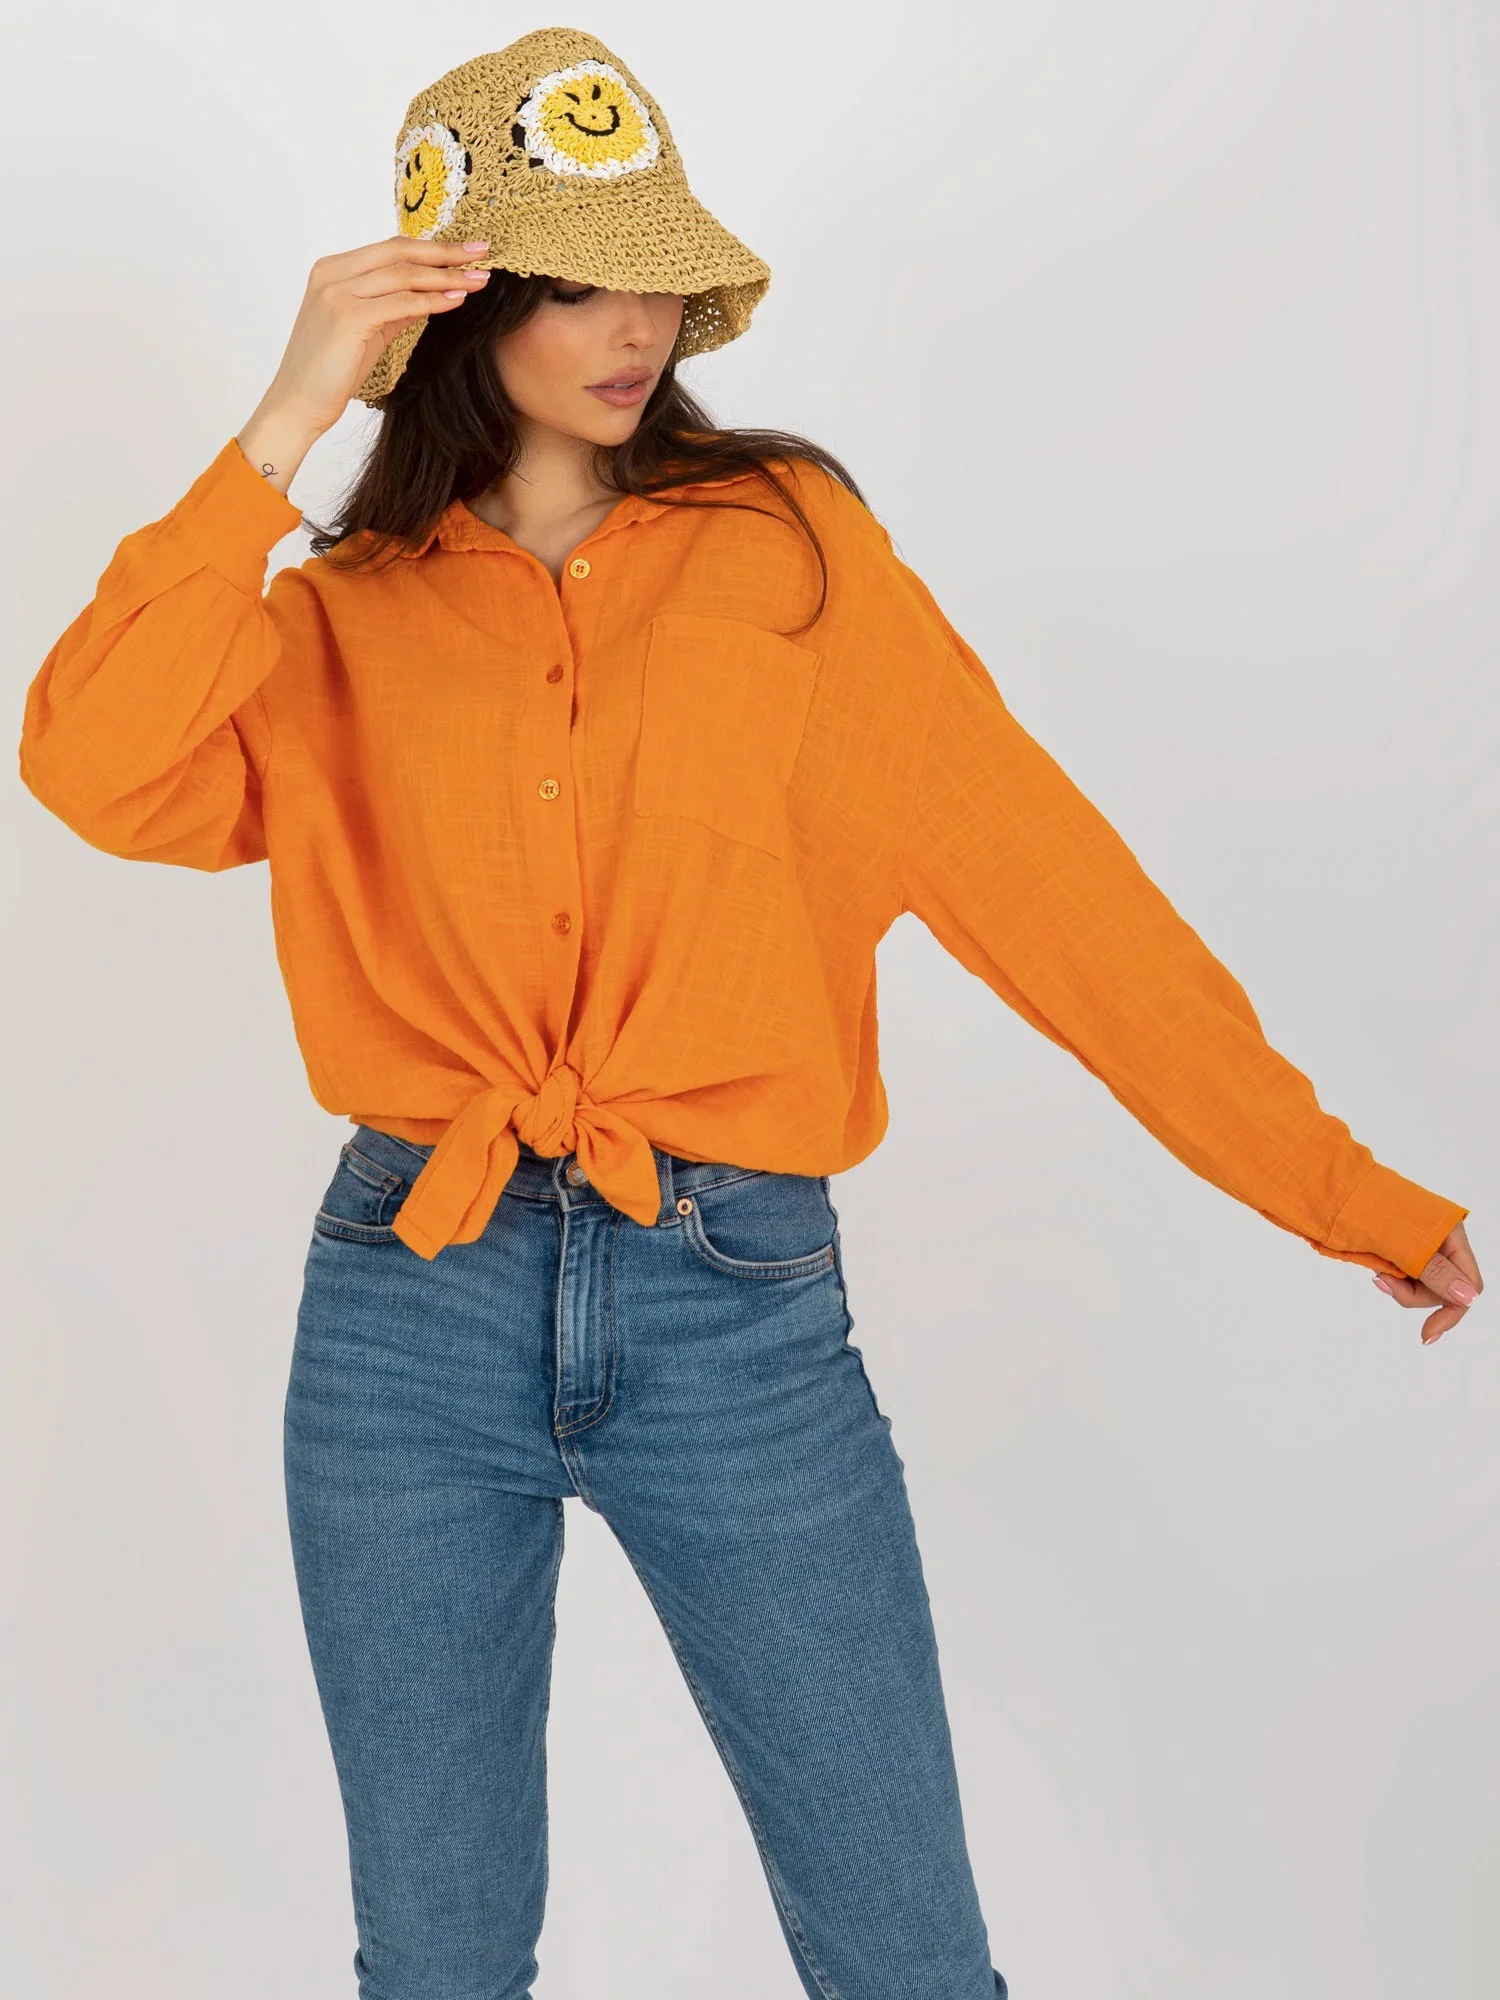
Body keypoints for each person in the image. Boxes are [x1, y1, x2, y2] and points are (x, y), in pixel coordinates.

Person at [15, 25, 1481, 2000]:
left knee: (905, 1956)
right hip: (404, 1306)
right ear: (454, 301)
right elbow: (87, 766)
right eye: (576, 278)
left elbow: (1058, 897)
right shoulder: (330, 615)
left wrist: (1339, 1191)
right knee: (436, 1963)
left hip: (734, 1304)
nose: (637, 325)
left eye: (656, 274)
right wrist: (282, 426)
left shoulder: (790, 555)